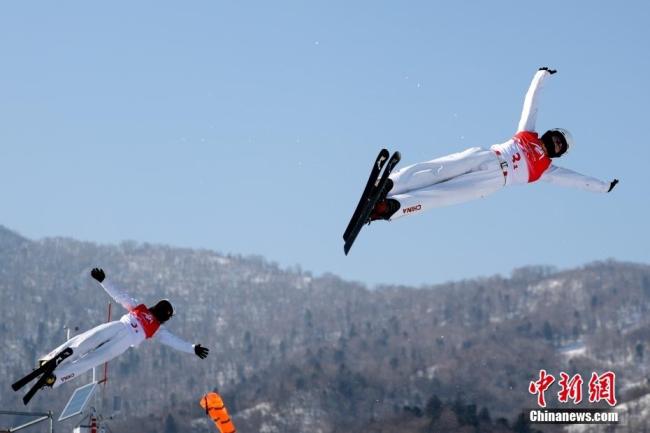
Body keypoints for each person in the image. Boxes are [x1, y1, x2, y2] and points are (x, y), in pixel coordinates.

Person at [370, 67, 619, 221]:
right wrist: (540, 76)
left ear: (559, 154)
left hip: (493, 181)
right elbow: (531, 103)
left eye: (559, 146)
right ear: (549, 133)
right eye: (555, 138)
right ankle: (392, 184)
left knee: (443, 195)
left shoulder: (546, 169)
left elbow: (577, 180)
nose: (554, 144)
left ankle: (391, 207)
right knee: (438, 169)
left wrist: (603, 187)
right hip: (487, 156)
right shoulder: (528, 133)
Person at [38, 268, 209, 388]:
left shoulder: (158, 329)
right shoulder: (139, 308)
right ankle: (51, 359)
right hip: (120, 327)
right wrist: (104, 281)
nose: (166, 317)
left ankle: (56, 378)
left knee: (92, 360)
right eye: (167, 313)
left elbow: (174, 342)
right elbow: (120, 295)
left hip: (123, 343)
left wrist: (192, 348)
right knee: (86, 339)